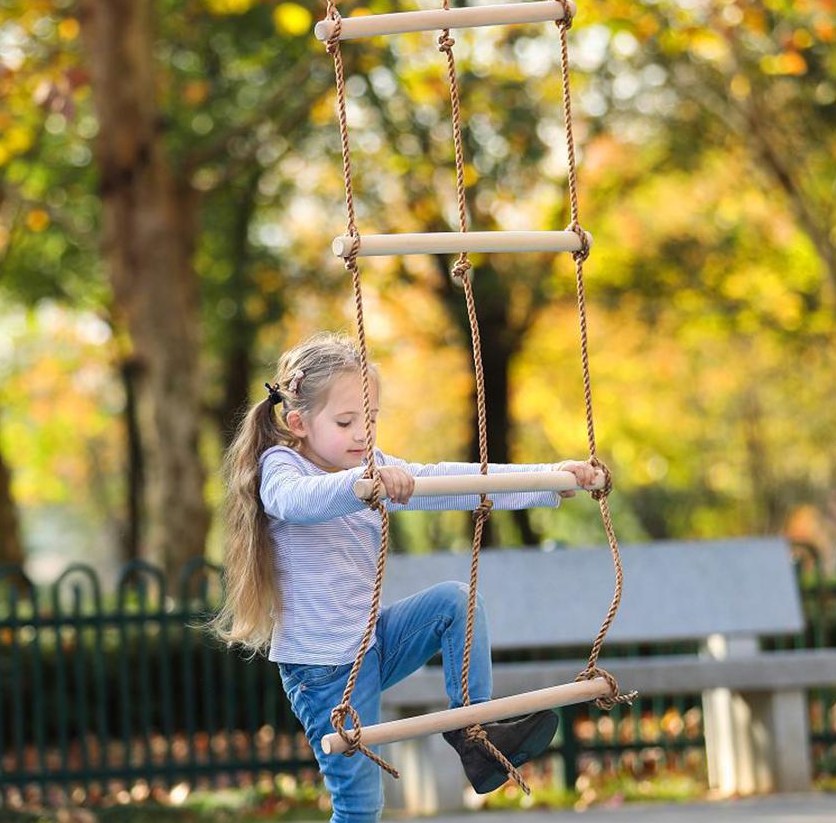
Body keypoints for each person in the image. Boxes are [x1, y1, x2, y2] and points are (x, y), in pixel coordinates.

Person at [211, 331, 600, 822]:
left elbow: (443, 482)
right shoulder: (282, 466)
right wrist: (362, 485)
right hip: (324, 674)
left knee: (454, 602)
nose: (362, 434)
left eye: (370, 421)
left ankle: (474, 735)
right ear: (298, 423)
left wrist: (545, 481)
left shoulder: (372, 465)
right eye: (347, 421)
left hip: (372, 646)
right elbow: (297, 504)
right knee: (360, 808)